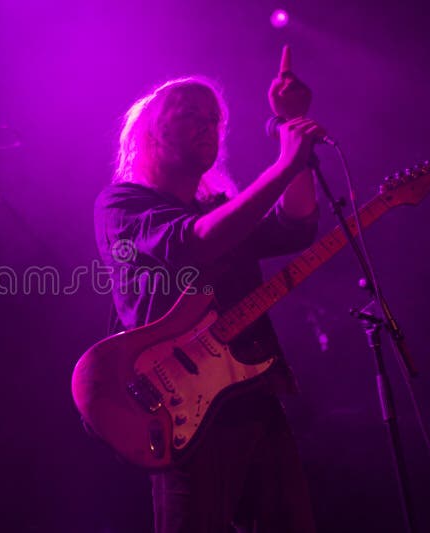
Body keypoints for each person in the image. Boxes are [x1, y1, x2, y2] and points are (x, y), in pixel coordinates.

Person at [93, 46, 322, 532]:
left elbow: (297, 225)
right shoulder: (123, 204)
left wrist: (291, 127)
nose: (208, 126)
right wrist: (283, 165)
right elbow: (193, 243)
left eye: (214, 119)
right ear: (152, 132)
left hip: (251, 391)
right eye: (190, 115)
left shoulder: (221, 208)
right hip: (181, 409)